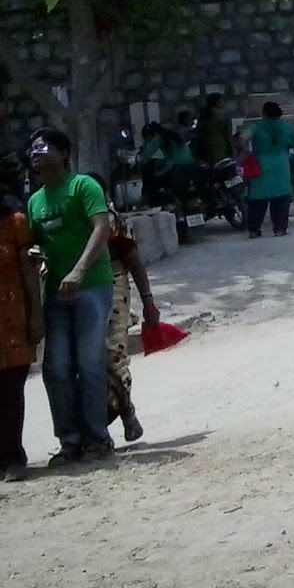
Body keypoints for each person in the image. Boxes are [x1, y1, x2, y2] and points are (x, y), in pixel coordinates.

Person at [25, 127, 115, 465]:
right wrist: (36, 253)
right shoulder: (35, 201)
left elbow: (101, 227)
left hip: (92, 285)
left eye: (44, 146)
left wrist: (78, 271)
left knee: (90, 364)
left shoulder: (83, 186)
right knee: (56, 367)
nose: (37, 152)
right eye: (33, 147)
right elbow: (35, 243)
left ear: (64, 154)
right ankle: (69, 440)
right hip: (56, 293)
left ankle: (97, 438)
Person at [103, 199, 160, 443]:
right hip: (77, 289)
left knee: (113, 357)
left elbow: (133, 259)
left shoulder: (110, 219)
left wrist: (148, 302)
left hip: (113, 282)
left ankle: (125, 410)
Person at [0, 188, 42, 480]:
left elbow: (29, 271)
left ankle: (14, 457)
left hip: (12, 320)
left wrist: (36, 316)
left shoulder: (14, 222)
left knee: (11, 391)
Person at [245, 102, 294, 238]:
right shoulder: (287, 127)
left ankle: (254, 230)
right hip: (281, 165)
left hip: (261, 165)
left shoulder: (256, 127)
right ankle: (280, 229)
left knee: (257, 199)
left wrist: (246, 152)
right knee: (281, 198)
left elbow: (242, 138)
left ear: (264, 113)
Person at [136, 121, 197, 209]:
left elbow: (146, 155)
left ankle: (147, 201)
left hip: (175, 168)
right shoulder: (173, 136)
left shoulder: (159, 138)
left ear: (150, 134)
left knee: (150, 174)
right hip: (189, 166)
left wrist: (137, 160)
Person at [192, 93, 234, 166]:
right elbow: (228, 134)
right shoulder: (223, 115)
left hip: (206, 149)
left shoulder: (204, 114)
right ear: (217, 102)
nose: (223, 103)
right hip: (221, 147)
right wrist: (232, 150)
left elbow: (199, 131)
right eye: (222, 101)